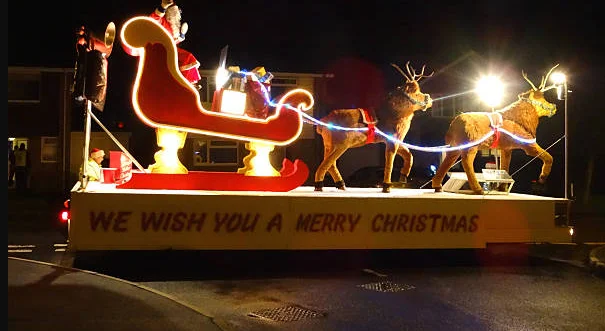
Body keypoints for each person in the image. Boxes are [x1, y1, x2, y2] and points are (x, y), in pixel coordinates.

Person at [149, 0, 201, 87]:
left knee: (187, 58)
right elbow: (152, 20)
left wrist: (181, 36)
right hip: (161, 50)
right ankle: (186, 83)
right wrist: (162, 7)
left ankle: (189, 83)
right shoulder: (162, 21)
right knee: (187, 57)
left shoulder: (173, 26)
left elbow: (173, 41)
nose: (179, 15)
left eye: (179, 13)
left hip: (171, 50)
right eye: (177, 13)